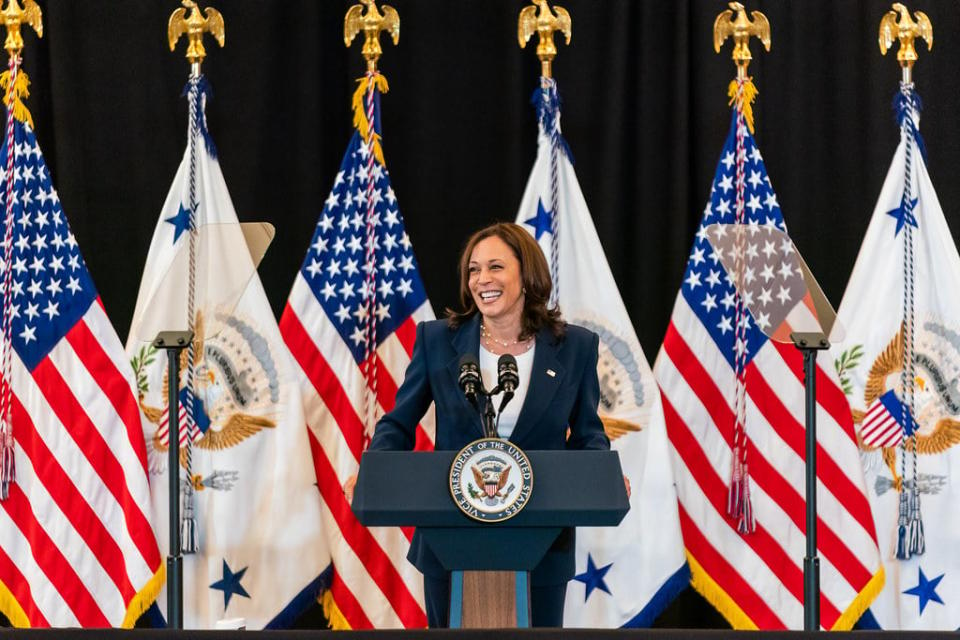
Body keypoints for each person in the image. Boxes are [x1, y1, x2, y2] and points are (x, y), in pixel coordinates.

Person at [345, 221, 618, 627]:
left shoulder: (575, 348)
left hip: (541, 542)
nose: (481, 279)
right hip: (449, 538)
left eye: (495, 267)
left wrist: (602, 478)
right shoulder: (438, 340)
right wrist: (375, 473)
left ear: (527, 275)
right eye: (473, 269)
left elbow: (587, 435)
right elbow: (398, 423)